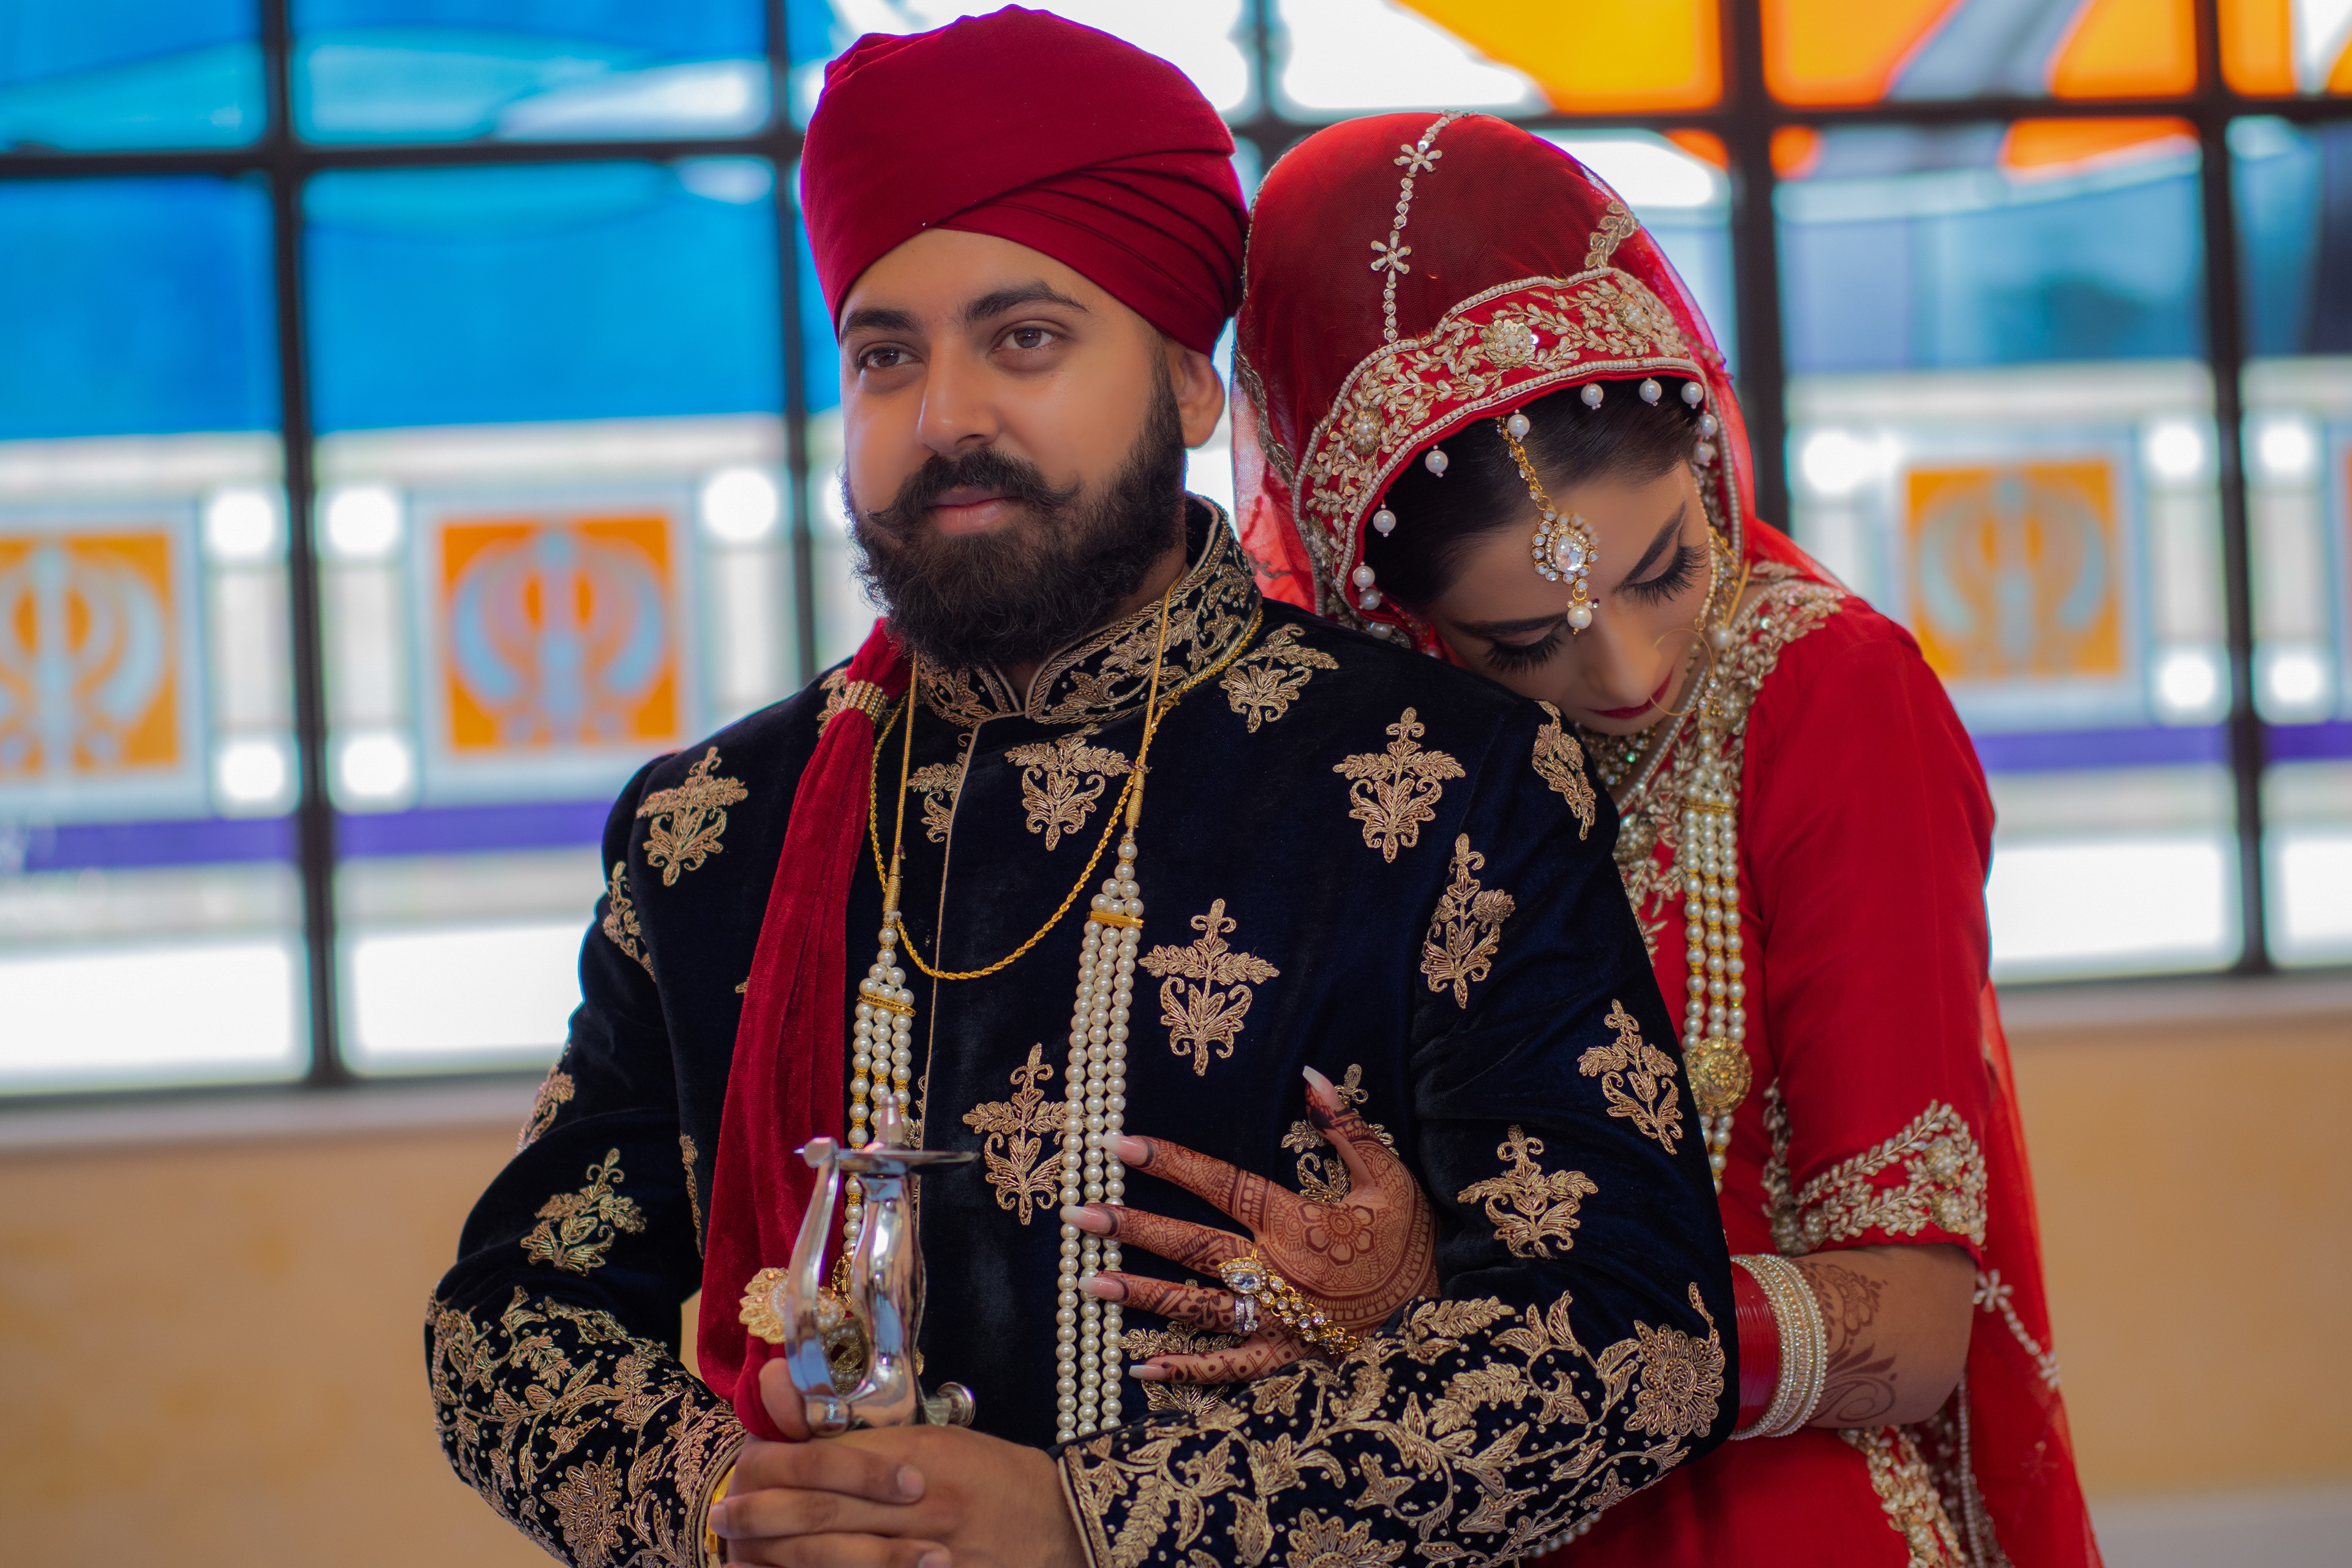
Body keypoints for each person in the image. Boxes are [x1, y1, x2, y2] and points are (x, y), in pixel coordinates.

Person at [426, 13, 1735, 1568]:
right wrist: (730, 1501)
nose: (945, 416)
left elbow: (1634, 1339)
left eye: (1024, 337)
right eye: (885, 353)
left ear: (1190, 383)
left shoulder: (1441, 784)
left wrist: (1092, 1521)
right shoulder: (715, 829)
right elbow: (510, 1322)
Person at [1099, 114, 2102, 1564]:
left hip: (1765, 1514)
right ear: (1393, 617)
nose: (1629, 672)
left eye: (1668, 568)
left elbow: (1918, 1322)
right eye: (1523, 642)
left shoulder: (1829, 696)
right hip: (1428, 1501)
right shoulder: (1375, 754)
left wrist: (1498, 1320)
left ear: (1709, 456)